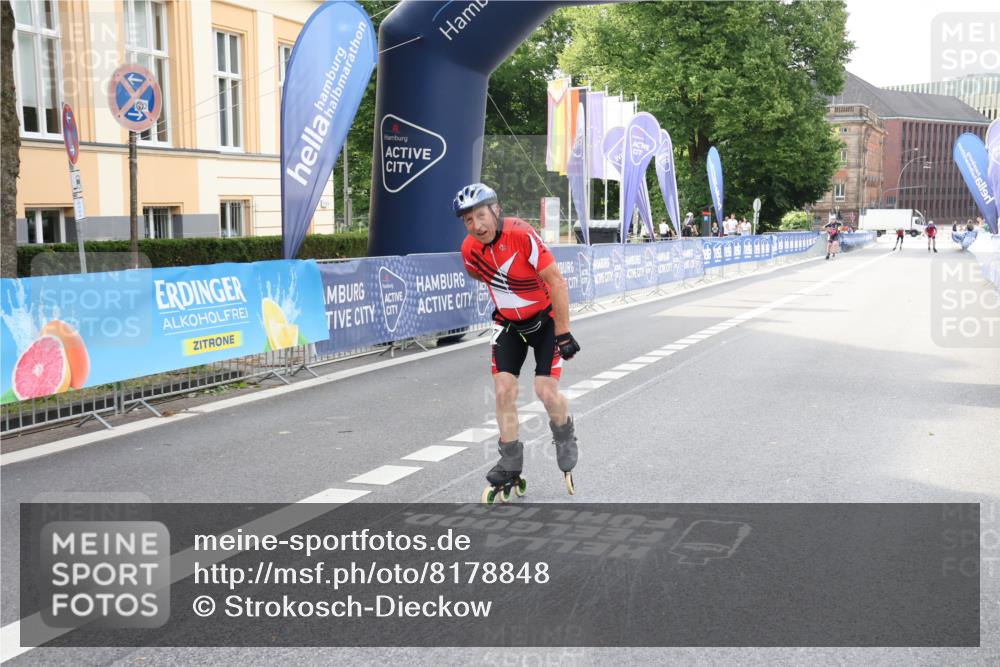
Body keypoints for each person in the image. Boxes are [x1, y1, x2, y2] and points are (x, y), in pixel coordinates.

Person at [454, 183, 580, 503]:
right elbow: (478, 275)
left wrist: (564, 332)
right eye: (468, 220)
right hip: (507, 323)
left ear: (496, 210)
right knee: (503, 390)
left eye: (481, 216)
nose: (476, 225)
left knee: (544, 390)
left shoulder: (521, 234)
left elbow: (556, 280)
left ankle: (564, 433)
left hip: (545, 321)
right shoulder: (469, 250)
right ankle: (510, 462)